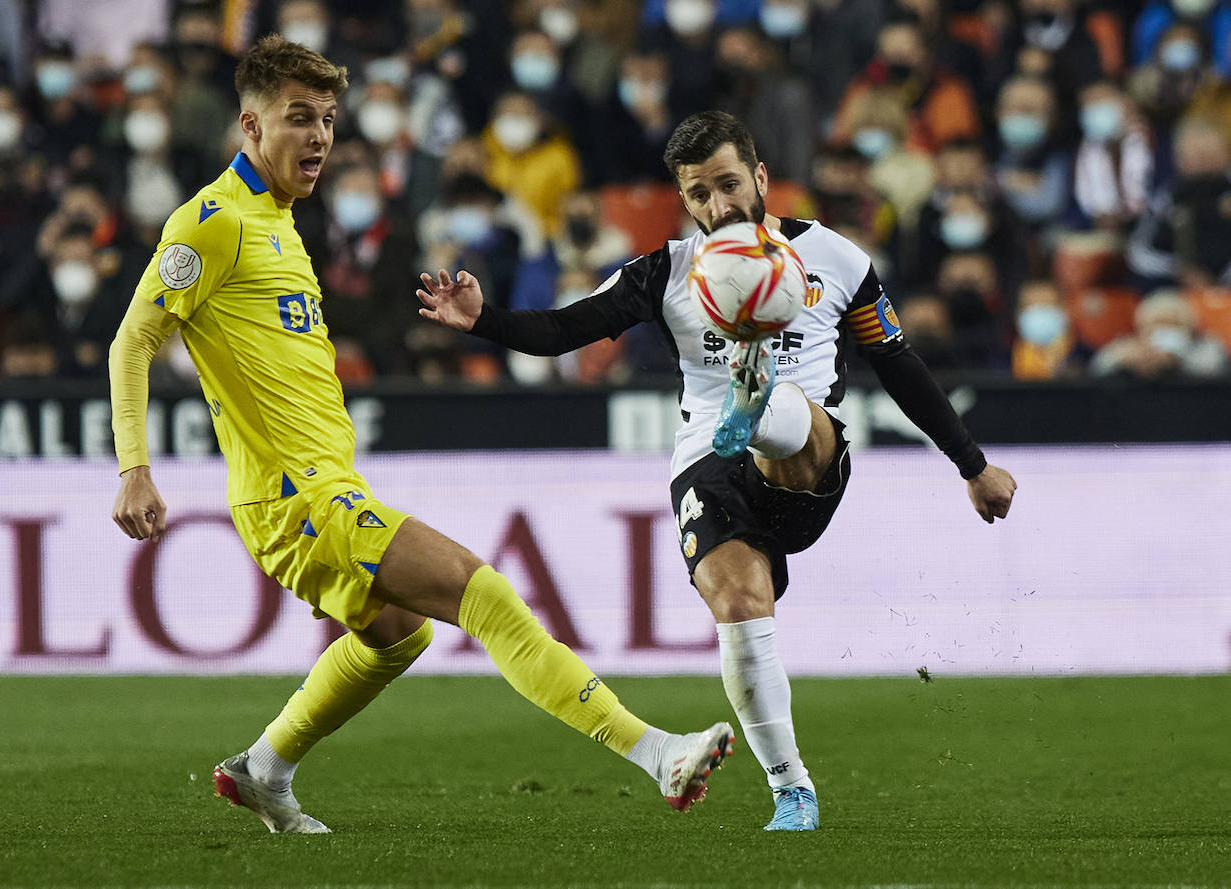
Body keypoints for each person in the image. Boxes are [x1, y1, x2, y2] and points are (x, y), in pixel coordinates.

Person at [107, 35, 734, 835]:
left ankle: (265, 768)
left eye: (329, 120)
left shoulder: (280, 222)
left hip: (322, 486)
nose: (320, 137)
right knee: (486, 592)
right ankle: (657, 754)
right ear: (250, 126)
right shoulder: (210, 222)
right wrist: (134, 467)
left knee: (396, 636)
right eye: (299, 119)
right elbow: (132, 340)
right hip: (295, 495)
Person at [417, 110, 1017, 831]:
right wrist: (485, 321)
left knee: (797, 416)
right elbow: (567, 327)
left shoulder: (836, 259)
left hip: (807, 456)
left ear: (760, 178)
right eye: (699, 195)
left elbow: (896, 361)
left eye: (729, 185)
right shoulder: (664, 271)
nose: (717, 206)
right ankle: (791, 789)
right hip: (707, 462)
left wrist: (971, 464)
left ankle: (760, 401)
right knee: (738, 606)